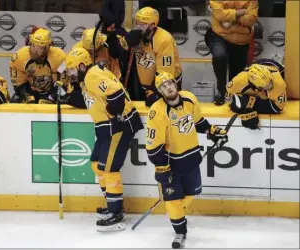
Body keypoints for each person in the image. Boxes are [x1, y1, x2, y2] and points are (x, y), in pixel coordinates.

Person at [146, 71, 229, 248]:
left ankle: (177, 214)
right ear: (160, 92)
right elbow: (153, 147)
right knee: (173, 201)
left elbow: (198, 122)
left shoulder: (190, 99)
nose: (167, 87)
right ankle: (180, 231)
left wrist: (212, 131)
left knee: (191, 194)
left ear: (175, 83)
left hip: (191, 159)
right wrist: (162, 168)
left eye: (169, 83)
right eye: (163, 86)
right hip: (171, 164)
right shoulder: (157, 112)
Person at [64, 47, 144, 232]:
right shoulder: (89, 77)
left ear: (82, 65)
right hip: (105, 127)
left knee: (109, 169)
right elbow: (94, 99)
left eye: (72, 69)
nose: (70, 73)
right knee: (96, 165)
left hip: (116, 126)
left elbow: (116, 94)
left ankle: (116, 214)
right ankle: (111, 203)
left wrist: (113, 114)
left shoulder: (92, 75)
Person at [109, 6, 182, 107]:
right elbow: (114, 52)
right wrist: (126, 42)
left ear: (152, 25)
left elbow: (165, 72)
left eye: (142, 24)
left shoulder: (164, 39)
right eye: (137, 23)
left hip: (166, 84)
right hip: (145, 83)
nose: (138, 27)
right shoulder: (137, 35)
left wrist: (154, 92)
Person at [205, 0, 258, 106]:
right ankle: (221, 91)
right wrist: (242, 12)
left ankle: (232, 94)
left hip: (241, 40)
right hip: (218, 35)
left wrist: (230, 18)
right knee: (219, 55)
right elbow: (220, 15)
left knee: (236, 74)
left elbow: (251, 19)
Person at [9, 28, 66, 104]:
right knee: (15, 101)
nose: (34, 51)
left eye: (39, 47)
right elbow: (19, 84)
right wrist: (29, 98)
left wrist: (50, 99)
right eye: (33, 45)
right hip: (30, 91)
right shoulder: (20, 56)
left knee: (64, 101)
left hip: (51, 93)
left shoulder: (60, 57)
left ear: (47, 47)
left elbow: (62, 84)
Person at [226, 59, 286, 130]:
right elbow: (228, 98)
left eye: (270, 81)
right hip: (252, 74)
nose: (271, 85)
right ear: (256, 85)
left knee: (276, 108)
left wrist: (248, 104)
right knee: (237, 104)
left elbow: (278, 107)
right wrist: (245, 108)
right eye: (266, 85)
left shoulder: (278, 82)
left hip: (272, 65)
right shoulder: (238, 82)